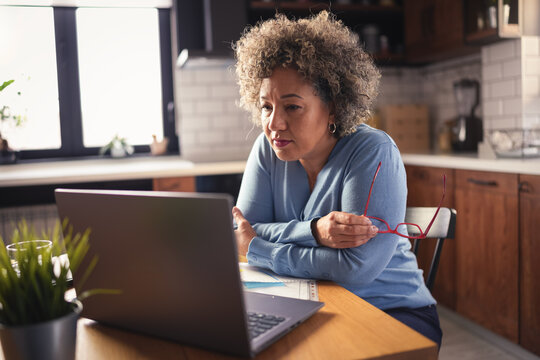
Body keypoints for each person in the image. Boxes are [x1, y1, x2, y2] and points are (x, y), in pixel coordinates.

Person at [231, 11, 442, 347]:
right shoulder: (267, 149)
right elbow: (240, 229)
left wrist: (259, 246)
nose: (274, 124)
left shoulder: (373, 151)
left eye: (292, 107)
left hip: (393, 312)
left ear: (333, 107)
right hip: (312, 304)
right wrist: (315, 231)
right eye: (266, 107)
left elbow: (355, 268)